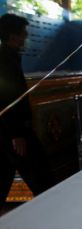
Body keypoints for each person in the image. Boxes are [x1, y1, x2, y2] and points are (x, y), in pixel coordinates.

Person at [0, 14, 53, 209]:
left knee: (5, 175)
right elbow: (6, 98)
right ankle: (52, 214)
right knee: (39, 174)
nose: (26, 37)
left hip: (10, 129)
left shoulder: (10, 56)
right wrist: (16, 133)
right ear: (14, 36)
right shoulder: (4, 60)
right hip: (12, 130)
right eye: (24, 33)